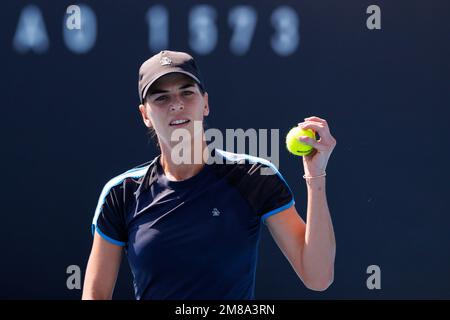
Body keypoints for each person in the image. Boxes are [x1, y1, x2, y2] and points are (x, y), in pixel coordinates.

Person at [82, 50, 337, 300]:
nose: (177, 104)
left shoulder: (255, 176)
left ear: (205, 103)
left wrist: (316, 176)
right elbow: (95, 295)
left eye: (187, 93)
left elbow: (317, 277)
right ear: (145, 115)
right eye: (161, 98)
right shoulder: (121, 193)